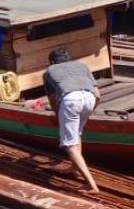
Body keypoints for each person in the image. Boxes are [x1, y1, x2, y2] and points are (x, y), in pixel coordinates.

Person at [43, 47, 102, 193]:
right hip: (89, 98)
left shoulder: (49, 71)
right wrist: (89, 112)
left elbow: (52, 99)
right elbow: (98, 95)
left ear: (52, 61)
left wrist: (58, 115)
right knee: (77, 134)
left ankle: (91, 185)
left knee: (69, 146)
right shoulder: (82, 66)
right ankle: (75, 170)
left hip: (70, 100)